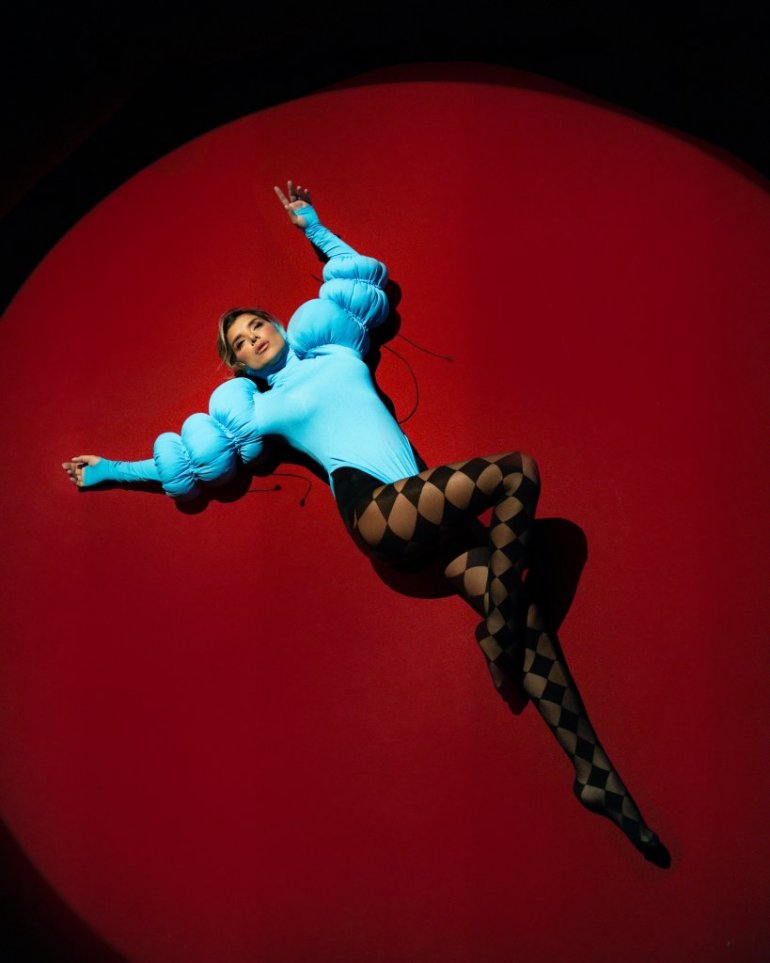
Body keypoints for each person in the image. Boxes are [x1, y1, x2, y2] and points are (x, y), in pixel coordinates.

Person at [63, 181, 671, 868]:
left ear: (277, 323)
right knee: (517, 472)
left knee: (529, 625)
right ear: (238, 366)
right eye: (241, 343)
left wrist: (313, 226)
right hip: (377, 509)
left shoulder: (338, 349)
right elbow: (185, 459)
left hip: (428, 507)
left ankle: (594, 773)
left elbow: (356, 274)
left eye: (256, 323)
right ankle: (497, 634)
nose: (254, 336)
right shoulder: (261, 410)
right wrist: (112, 469)